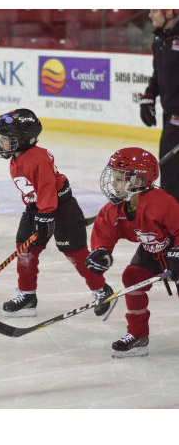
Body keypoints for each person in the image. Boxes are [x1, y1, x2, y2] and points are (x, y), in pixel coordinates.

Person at [0, 109, 112, 318]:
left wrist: (45, 215)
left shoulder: (37, 158)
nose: (0, 143)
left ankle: (102, 290)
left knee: (75, 253)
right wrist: (37, 213)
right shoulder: (17, 156)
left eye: (5, 139)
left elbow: (47, 188)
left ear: (23, 140)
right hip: (36, 208)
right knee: (25, 249)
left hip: (62, 209)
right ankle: (27, 296)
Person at [86, 147, 179, 358]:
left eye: (119, 178)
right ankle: (138, 335)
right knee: (131, 277)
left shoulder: (161, 202)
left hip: (175, 248)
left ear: (137, 180)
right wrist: (101, 251)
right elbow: (104, 230)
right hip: (152, 251)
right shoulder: (115, 209)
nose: (113, 183)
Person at [139, 9, 179, 203]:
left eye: (155, 10)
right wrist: (149, 95)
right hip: (170, 116)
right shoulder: (160, 40)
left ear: (170, 12)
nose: (150, 15)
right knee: (170, 171)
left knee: (172, 173)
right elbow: (158, 75)